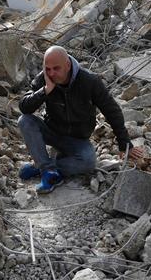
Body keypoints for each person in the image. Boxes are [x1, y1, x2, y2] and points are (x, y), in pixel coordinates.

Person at [18, 46, 144, 193]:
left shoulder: (89, 81)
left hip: (77, 139)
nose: (51, 73)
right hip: (52, 131)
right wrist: (45, 90)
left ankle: (41, 167)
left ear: (68, 65)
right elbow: (24, 107)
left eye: (56, 68)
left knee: (88, 162)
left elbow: (112, 110)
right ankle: (48, 172)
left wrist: (124, 143)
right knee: (24, 120)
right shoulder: (44, 78)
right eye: (48, 69)